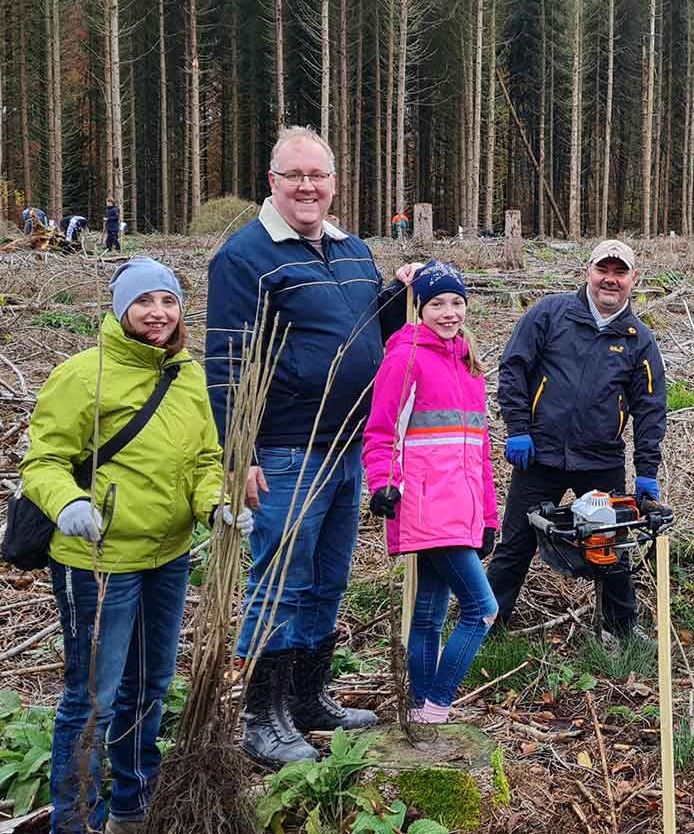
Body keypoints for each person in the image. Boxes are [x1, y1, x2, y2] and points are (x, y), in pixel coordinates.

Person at [20, 257, 253, 834]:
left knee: (148, 687)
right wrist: (69, 503)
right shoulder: (82, 375)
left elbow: (202, 458)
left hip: (168, 557)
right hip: (98, 563)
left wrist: (215, 504)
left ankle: (132, 806)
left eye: (168, 301)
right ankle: (75, 824)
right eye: (144, 301)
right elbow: (42, 461)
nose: (158, 313)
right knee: (92, 699)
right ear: (120, 308)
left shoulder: (188, 373)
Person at [206, 125, 390, 768]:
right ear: (273, 182)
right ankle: (263, 716)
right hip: (285, 450)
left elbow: (371, 327)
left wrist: (406, 290)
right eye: (296, 176)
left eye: (320, 175)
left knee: (327, 580)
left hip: (348, 448)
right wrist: (239, 453)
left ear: (335, 183)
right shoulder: (244, 257)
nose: (309, 187)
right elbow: (226, 360)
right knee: (279, 581)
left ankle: (308, 699)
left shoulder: (352, 250)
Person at [489, 239, 666, 641]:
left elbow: (651, 408)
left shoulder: (639, 339)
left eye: (619, 273)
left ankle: (622, 629)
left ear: (633, 279)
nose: (610, 280)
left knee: (611, 547)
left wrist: (646, 473)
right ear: (588, 272)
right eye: (603, 270)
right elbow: (513, 368)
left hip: (600, 460)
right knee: (516, 544)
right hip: (539, 455)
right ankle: (486, 625)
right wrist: (517, 428)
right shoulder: (549, 314)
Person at [363, 261, 499, 724]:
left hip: (461, 508)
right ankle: (438, 706)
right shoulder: (405, 357)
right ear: (418, 308)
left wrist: (489, 517)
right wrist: (381, 483)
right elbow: (381, 432)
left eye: (456, 302)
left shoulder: (469, 365)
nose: (448, 312)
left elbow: (480, 452)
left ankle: (419, 710)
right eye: (436, 303)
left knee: (429, 615)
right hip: (422, 504)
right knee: (482, 610)